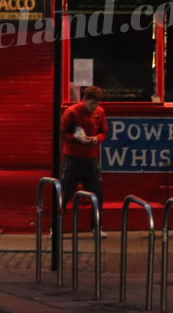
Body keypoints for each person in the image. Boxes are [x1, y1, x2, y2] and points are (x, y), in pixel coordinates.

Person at [60, 85, 108, 238]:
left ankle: (96, 228)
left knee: (97, 195)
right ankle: (56, 228)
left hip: (91, 159)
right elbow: (62, 132)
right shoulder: (72, 112)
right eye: (92, 103)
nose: (95, 107)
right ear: (85, 99)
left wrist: (97, 139)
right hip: (72, 158)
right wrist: (77, 139)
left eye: (97, 103)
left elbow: (103, 131)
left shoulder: (99, 112)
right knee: (64, 194)